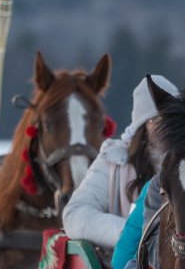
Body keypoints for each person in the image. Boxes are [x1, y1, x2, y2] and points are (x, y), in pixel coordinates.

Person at [63, 74, 178, 250]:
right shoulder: (114, 162)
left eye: (170, 117)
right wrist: (130, 234)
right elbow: (75, 214)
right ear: (141, 126)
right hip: (131, 263)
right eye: (154, 119)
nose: (164, 126)